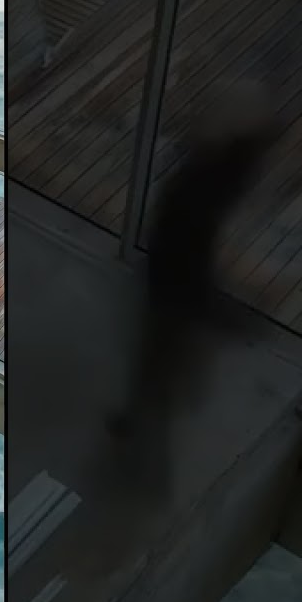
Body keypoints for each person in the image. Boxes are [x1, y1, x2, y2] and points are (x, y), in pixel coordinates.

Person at [107, 81, 278, 496]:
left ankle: (148, 466)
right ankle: (141, 445)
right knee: (157, 372)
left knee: (156, 372)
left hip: (170, 289)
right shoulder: (209, 190)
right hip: (174, 289)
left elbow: (183, 255)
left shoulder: (195, 187)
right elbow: (192, 260)